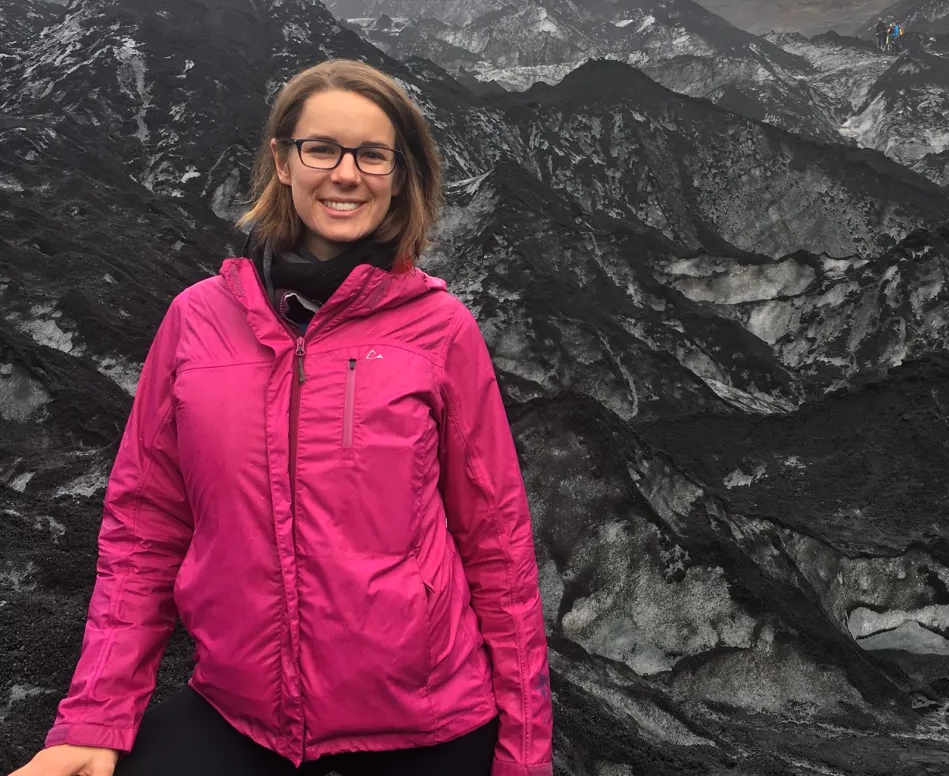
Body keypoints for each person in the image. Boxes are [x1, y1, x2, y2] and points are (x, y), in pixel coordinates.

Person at [9, 59, 554, 776]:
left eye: (372, 154)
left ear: (399, 175)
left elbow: (497, 546)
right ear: (283, 160)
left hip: (427, 727)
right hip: (240, 714)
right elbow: (144, 527)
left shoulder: (441, 331)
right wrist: (94, 719)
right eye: (321, 148)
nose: (346, 174)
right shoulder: (195, 323)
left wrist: (523, 754)